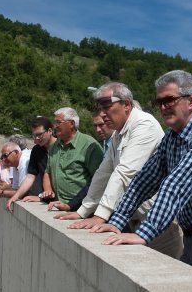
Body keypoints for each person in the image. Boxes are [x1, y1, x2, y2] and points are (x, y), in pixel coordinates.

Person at [92, 70, 192, 274]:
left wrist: (145, 233)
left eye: (170, 100)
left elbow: (178, 183)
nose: (163, 107)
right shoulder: (171, 137)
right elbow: (144, 180)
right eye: (159, 102)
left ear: (191, 101)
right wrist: (116, 221)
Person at [50, 82, 183, 258]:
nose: (102, 114)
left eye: (107, 106)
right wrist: (82, 211)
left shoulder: (144, 125)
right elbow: (103, 173)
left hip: (159, 224)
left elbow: (124, 172)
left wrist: (100, 216)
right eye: (99, 108)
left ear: (126, 104)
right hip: (136, 221)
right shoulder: (118, 134)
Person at [40, 107, 103, 204]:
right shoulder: (54, 146)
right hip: (57, 205)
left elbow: (99, 180)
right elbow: (47, 172)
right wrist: (48, 190)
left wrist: (74, 204)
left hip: (81, 208)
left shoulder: (89, 145)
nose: (54, 126)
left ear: (71, 124)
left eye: (58, 122)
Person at [6, 117, 57, 212]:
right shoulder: (36, 150)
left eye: (40, 134)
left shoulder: (62, 147)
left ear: (50, 131)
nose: (37, 139)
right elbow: (30, 177)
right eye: (34, 135)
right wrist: (16, 196)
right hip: (47, 198)